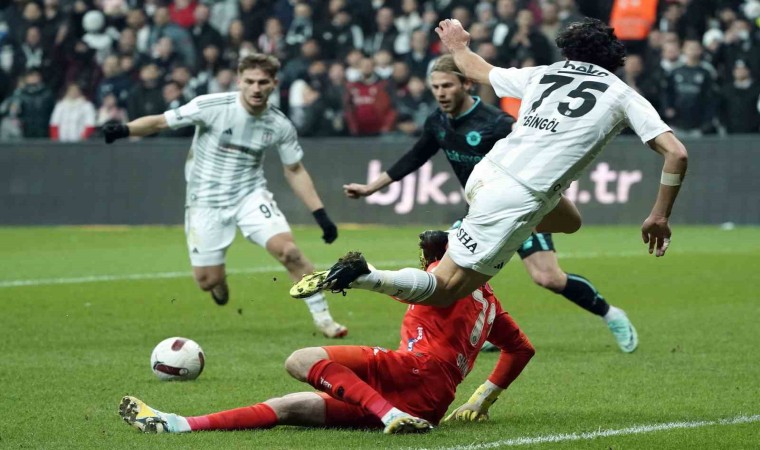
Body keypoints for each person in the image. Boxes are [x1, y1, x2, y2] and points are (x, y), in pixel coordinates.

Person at [290, 19, 688, 341]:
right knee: (446, 289)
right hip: (517, 196)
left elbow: (477, 70)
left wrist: (458, 45)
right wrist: (659, 215)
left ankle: (462, 235)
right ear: (614, 58)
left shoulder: (544, 74)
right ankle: (366, 275)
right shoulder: (623, 95)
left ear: (568, 51)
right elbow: (677, 153)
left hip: (486, 174)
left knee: (570, 221)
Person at [343, 54, 639, 353]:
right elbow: (415, 157)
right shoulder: (438, 121)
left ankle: (611, 314)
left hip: (523, 207)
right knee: (448, 271)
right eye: (436, 87)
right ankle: (473, 332)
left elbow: (541, 154)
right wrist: (370, 188)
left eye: (447, 85)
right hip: (481, 211)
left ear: (466, 84)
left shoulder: (497, 122)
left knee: (548, 277)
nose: (441, 93)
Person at [119, 230, 535, 434]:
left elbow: (416, 284)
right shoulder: (491, 304)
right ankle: (179, 424)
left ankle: (389, 415)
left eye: (432, 254)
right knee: (289, 407)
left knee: (300, 360)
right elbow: (521, 349)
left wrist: (366, 276)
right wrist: (481, 399)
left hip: (415, 371)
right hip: (430, 404)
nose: (427, 258)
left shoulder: (440, 278)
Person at [102, 53, 347, 338]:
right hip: (205, 201)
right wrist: (124, 129)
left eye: (263, 82)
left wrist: (320, 214)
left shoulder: (279, 124)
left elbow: (295, 170)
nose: (256, 88)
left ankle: (324, 319)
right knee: (207, 280)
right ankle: (218, 281)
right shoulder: (211, 106)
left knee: (290, 252)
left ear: (274, 83)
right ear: (239, 81)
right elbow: (159, 122)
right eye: (250, 81)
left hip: (249, 196)